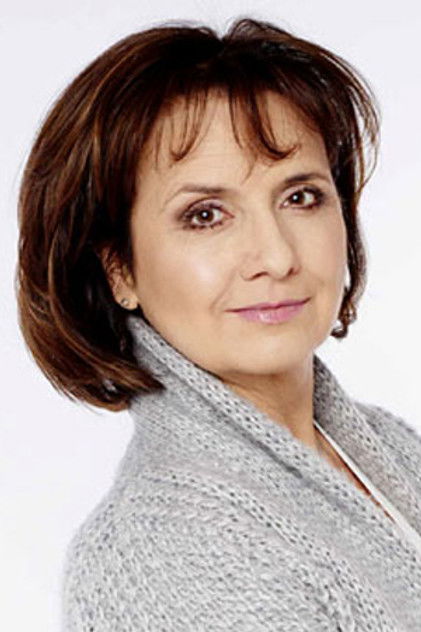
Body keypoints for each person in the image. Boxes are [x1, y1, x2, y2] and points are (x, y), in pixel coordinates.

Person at [16, 16, 421, 631]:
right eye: (205, 215)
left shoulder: (389, 447)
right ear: (119, 267)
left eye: (300, 197)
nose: (277, 257)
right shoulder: (162, 553)